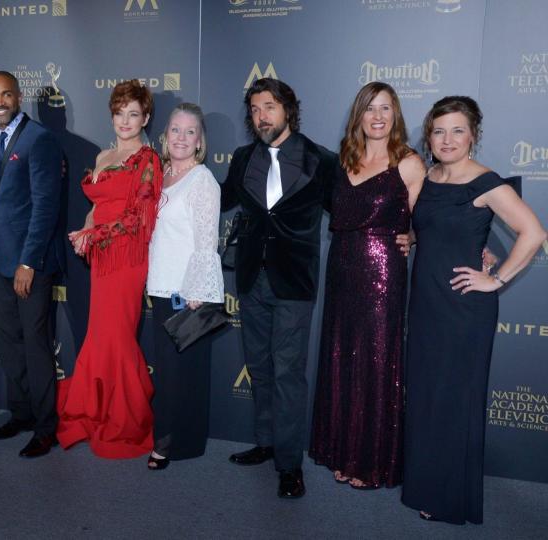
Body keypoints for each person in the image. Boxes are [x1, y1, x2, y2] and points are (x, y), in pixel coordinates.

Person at [402, 96, 546, 524]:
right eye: (439, 130)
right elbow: (428, 230)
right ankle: (426, 484)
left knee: (453, 400)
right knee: (428, 397)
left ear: (473, 135)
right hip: (425, 302)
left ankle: (449, 499)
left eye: (457, 130)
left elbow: (533, 233)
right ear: (429, 134)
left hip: (464, 309)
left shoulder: (485, 182)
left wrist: (496, 278)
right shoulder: (427, 176)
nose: (447, 139)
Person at [220, 78, 339, 499]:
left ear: (288, 109)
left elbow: (347, 214)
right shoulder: (241, 158)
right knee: (260, 365)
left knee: (288, 372)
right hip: (251, 278)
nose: (261, 116)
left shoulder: (321, 160)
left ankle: (290, 464)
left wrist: (404, 233)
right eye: (254, 109)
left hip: (294, 281)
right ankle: (266, 441)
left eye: (269, 106)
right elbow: (215, 202)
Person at [309, 82, 424, 488]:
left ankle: (371, 461)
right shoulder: (342, 160)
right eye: (370, 109)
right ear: (358, 115)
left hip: (383, 274)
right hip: (341, 268)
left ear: (396, 115)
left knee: (377, 362)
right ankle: (342, 450)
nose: (377, 117)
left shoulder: (408, 163)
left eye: (386, 109)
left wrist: (413, 236)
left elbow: (431, 219)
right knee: (342, 356)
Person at [57, 80, 162, 459]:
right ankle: (97, 410)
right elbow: (98, 204)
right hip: (101, 258)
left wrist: (97, 233)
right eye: (120, 113)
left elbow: (139, 217)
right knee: (100, 336)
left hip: (127, 259)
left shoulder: (147, 159)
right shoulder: (103, 156)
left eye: (134, 114)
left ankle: (125, 419)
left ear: (146, 117)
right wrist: (86, 230)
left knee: (117, 337)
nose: (125, 121)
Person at [0, 71, 64, 458]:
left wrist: (28, 262)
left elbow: (45, 206)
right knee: (8, 341)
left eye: (6, 94)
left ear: (19, 96)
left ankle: (47, 427)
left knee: (35, 344)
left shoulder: (40, 140)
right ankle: (21, 413)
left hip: (29, 263)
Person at [144, 103, 223, 469]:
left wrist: (195, 293)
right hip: (160, 287)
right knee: (166, 370)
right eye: (175, 129)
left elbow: (207, 241)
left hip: (183, 294)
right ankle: (177, 438)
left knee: (178, 374)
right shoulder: (159, 175)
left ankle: (167, 443)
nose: (181, 137)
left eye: (189, 132)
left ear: (199, 141)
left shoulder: (202, 180)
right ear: (165, 136)